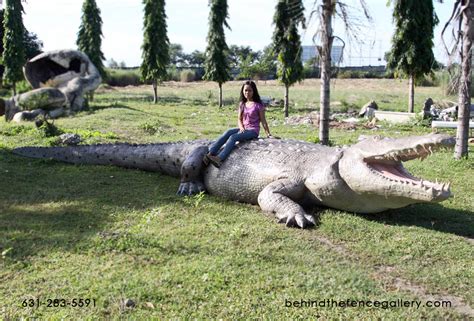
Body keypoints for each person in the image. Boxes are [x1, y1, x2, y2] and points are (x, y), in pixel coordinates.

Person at [204, 80, 273, 168]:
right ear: (243, 91)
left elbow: (263, 121)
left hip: (252, 131)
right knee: (228, 132)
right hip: (243, 129)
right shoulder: (242, 104)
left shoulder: (258, 105)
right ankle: (210, 153)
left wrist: (268, 134)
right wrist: (241, 128)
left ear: (254, 91)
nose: (247, 92)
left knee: (233, 137)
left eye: (250, 90)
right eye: (245, 90)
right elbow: (239, 119)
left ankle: (220, 159)